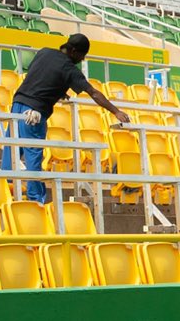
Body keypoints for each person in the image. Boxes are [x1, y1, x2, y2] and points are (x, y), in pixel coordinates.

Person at [7, 33, 129, 202]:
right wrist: (116, 111)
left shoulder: (44, 52)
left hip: (18, 104)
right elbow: (93, 93)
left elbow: (40, 74)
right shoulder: (70, 69)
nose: (82, 59)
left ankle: (4, 189)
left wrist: (59, 90)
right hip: (34, 112)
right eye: (82, 55)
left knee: (11, 150)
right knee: (33, 155)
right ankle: (36, 201)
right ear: (73, 51)